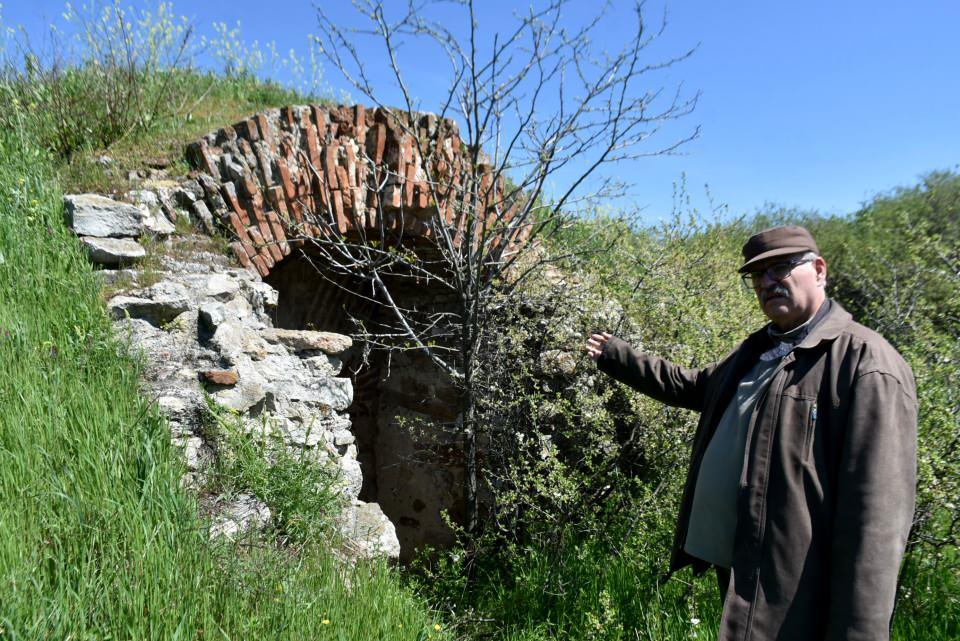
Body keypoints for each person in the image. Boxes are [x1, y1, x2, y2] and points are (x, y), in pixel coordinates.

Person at [586, 225, 917, 641]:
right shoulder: (759, 350)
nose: (767, 283)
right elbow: (692, 386)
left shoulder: (865, 363)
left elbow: (878, 517)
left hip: (800, 575)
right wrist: (617, 356)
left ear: (818, 269)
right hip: (744, 560)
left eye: (780, 268)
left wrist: (860, 630)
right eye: (757, 275)